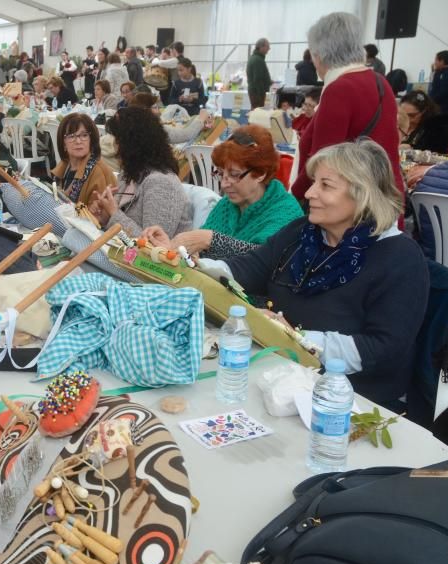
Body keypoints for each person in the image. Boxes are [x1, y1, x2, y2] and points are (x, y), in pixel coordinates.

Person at [199, 140, 428, 409]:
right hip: (278, 378)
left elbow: (381, 349)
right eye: (313, 182)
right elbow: (245, 269)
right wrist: (187, 265)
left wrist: (295, 338)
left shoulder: (399, 257)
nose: (309, 193)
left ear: (362, 194)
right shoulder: (303, 234)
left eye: (325, 185)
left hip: (349, 401)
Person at [144, 126, 304, 260]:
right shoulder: (227, 205)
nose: (224, 184)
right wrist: (171, 250)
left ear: (261, 173)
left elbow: (265, 260)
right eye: (220, 173)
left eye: (234, 174)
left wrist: (210, 240)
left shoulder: (286, 212)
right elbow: (201, 259)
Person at [292, 12, 403, 203]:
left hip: (350, 207)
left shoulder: (339, 89)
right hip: (383, 197)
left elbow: (322, 161)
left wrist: (291, 201)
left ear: (318, 55)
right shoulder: (380, 82)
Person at [90, 106, 192, 237]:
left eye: (117, 139)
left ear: (132, 144)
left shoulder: (162, 183)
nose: (114, 145)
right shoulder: (129, 174)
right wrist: (104, 216)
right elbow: (120, 222)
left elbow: (153, 244)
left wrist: (114, 212)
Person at [51, 113, 116, 207]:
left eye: (84, 135)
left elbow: (97, 217)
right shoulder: (65, 165)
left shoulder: (97, 171)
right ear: (63, 143)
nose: (78, 141)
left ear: (91, 140)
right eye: (71, 136)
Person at [246, 38, 272, 109]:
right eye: (267, 46)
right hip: (257, 93)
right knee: (258, 113)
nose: (269, 49)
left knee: (255, 112)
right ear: (261, 47)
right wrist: (262, 94)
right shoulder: (258, 60)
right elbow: (258, 79)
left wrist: (269, 81)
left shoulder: (255, 58)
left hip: (254, 91)